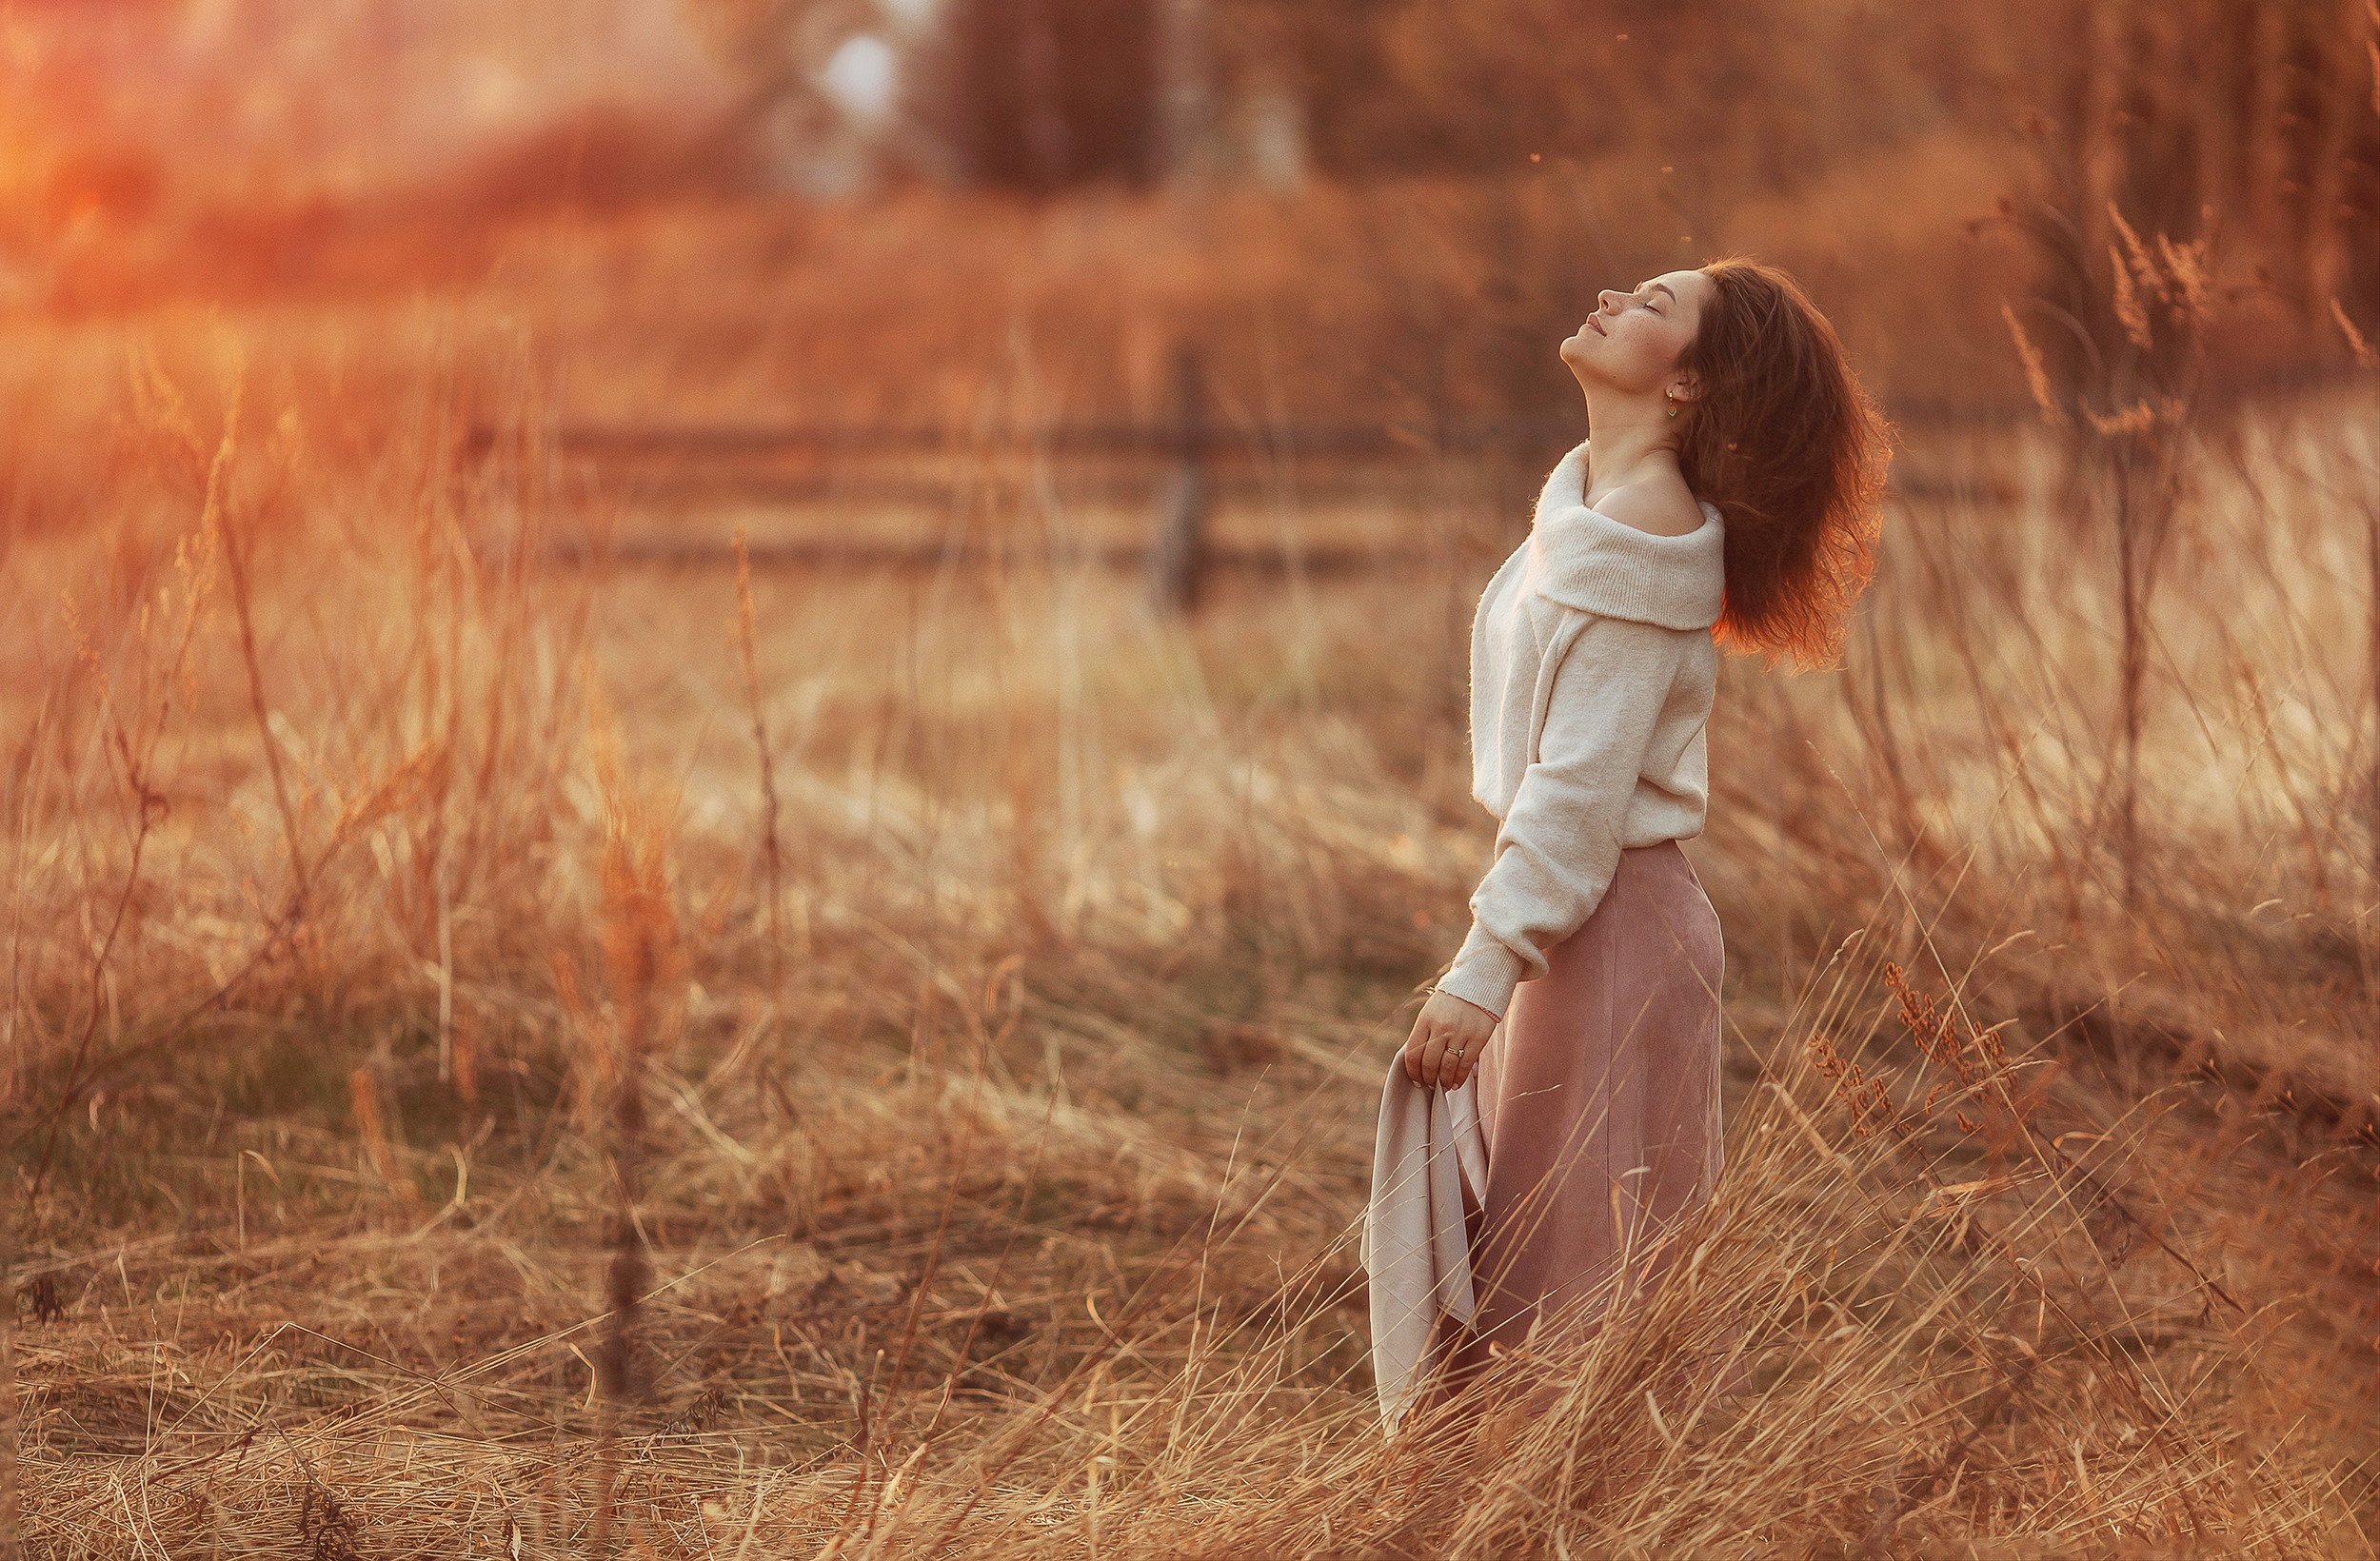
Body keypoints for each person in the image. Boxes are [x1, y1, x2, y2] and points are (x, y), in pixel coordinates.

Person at [1386, 257, 1890, 1423]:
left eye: (1653, 306)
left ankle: (1599, 1516)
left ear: (1688, 386)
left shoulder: (1646, 531)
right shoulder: (1593, 502)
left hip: (1606, 929)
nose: (1612, 298)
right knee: (1545, 1258)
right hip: (1578, 923)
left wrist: (1481, 966)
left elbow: (1575, 792)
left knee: (1575, 1283)